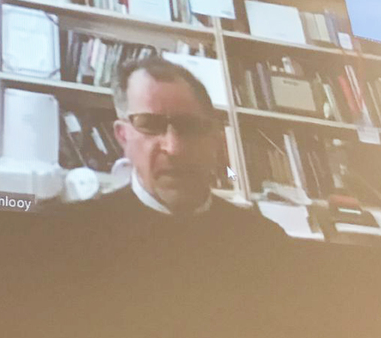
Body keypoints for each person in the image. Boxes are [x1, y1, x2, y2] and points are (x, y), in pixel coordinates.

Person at [60, 55, 291, 242]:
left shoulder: (265, 240)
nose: (173, 148)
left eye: (190, 126)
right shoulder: (74, 235)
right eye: (149, 125)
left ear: (215, 139)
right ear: (123, 136)